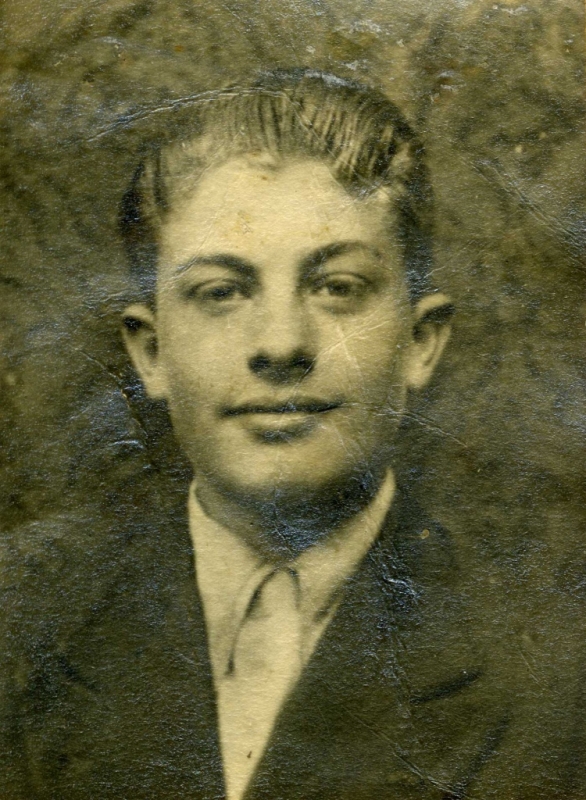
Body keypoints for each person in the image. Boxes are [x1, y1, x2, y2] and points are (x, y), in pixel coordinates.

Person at [0, 68, 579, 800]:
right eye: (221, 292)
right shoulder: (19, 613)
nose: (280, 344)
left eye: (338, 287)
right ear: (151, 352)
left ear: (420, 341)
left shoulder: (555, 658)